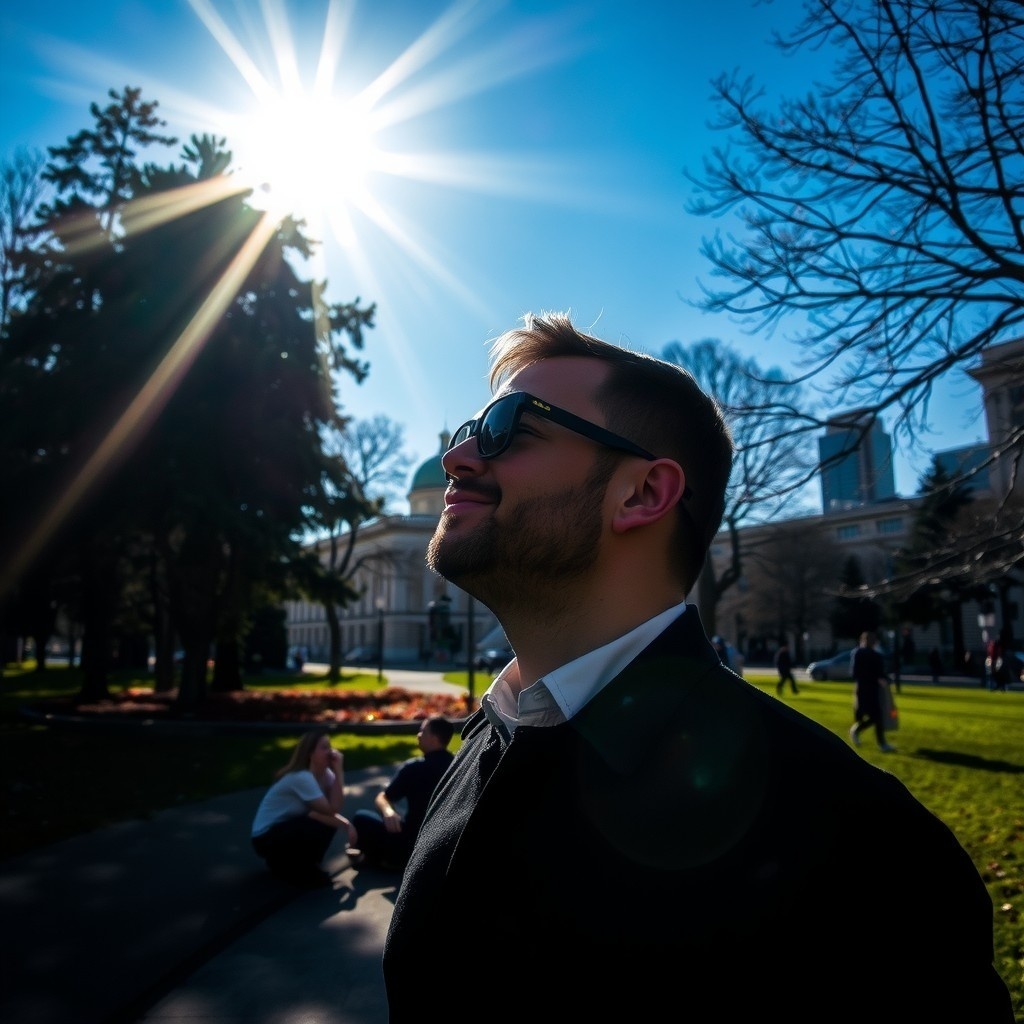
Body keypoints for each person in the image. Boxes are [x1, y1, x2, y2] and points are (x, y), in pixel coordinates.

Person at [382, 311, 1012, 1022]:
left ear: (644, 494)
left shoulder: (866, 850)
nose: (458, 460)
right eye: (468, 435)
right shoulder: (477, 749)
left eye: (508, 429)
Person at [250, 728, 357, 888]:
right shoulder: (301, 777)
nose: (331, 752)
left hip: (288, 828)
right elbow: (330, 810)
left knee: (326, 823)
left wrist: (336, 773)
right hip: (266, 837)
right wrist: (346, 824)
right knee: (317, 824)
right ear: (310, 753)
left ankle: (306, 866)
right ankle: (288, 866)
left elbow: (333, 807)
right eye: (324, 747)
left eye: (330, 746)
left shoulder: (326, 774)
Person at [348, 715, 455, 870]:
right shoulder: (458, 766)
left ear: (434, 737)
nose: (418, 735)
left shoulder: (414, 769)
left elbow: (383, 797)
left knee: (361, 818)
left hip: (410, 846)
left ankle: (376, 859)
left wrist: (387, 811)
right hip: (447, 846)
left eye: (422, 731)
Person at [849, 630, 896, 752]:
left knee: (874, 716)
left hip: (863, 689)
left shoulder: (858, 653)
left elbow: (855, 673)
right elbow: (879, 673)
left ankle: (858, 731)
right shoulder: (874, 655)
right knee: (876, 717)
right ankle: (880, 742)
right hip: (871, 690)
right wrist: (881, 679)